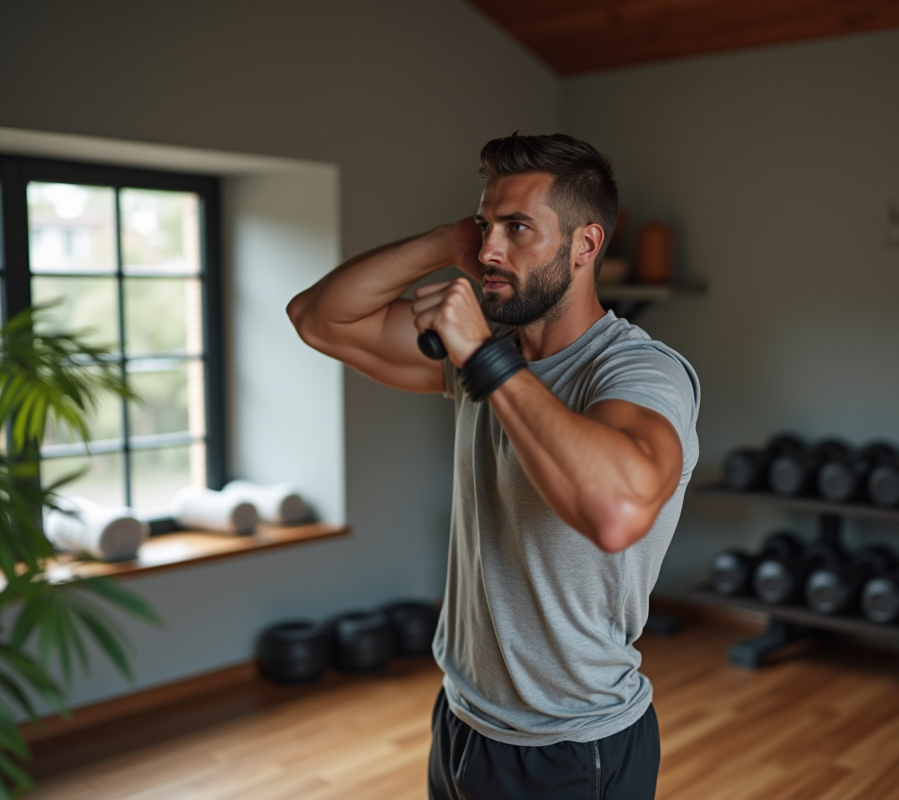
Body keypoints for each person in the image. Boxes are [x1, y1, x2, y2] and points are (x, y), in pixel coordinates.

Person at [287, 133, 700, 799]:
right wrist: (445, 243)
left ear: (584, 246)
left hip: (573, 745)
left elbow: (616, 513)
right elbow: (318, 319)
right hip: (463, 721)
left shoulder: (639, 371)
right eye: (486, 226)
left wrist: (481, 355)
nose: (489, 251)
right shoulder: (484, 351)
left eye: (517, 228)